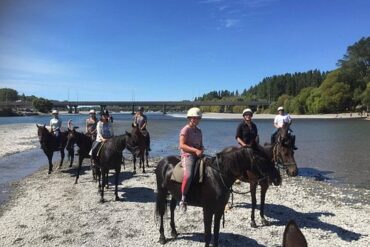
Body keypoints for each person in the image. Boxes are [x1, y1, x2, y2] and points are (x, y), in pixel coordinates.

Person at [179, 107, 204, 212]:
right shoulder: (185, 129)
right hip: (187, 155)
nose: (195, 120)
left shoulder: (199, 131)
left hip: (197, 154)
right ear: (189, 118)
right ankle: (183, 198)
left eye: (197, 118)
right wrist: (195, 150)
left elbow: (201, 145)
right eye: (193, 118)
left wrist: (201, 149)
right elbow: (182, 145)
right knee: (188, 175)